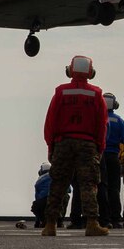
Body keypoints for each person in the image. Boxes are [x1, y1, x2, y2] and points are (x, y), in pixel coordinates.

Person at [42, 55, 109, 237]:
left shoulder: (61, 92)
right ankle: (92, 223)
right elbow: (101, 124)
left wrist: (51, 145)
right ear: (91, 72)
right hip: (88, 144)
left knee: (58, 183)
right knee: (89, 184)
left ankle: (50, 225)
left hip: (63, 143)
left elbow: (51, 121)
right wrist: (100, 147)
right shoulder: (96, 94)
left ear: (70, 70)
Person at [102, 93, 124, 228]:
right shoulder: (119, 121)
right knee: (114, 189)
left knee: (100, 187)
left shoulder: (97, 119)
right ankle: (115, 219)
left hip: (99, 156)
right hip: (114, 157)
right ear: (115, 105)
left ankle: (101, 218)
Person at [31, 163, 70, 228]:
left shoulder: (39, 181)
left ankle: (44, 221)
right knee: (66, 197)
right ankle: (60, 221)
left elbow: (37, 198)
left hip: (44, 201)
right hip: (59, 200)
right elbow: (68, 190)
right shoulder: (59, 177)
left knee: (36, 205)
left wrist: (37, 223)